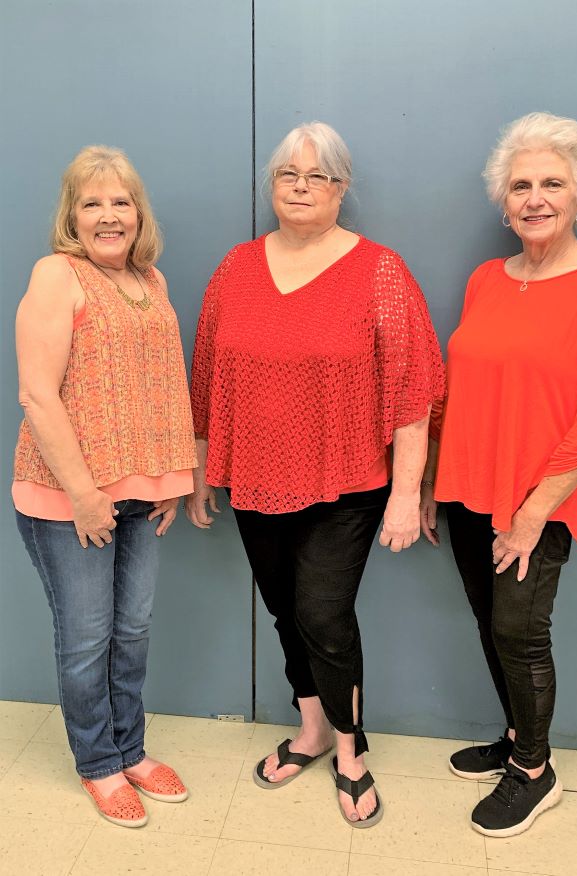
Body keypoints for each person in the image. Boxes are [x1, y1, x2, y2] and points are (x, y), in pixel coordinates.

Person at [187, 121, 445, 827]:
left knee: (322, 617)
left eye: (317, 177)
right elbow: (208, 372)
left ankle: (350, 748)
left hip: (348, 483)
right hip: (255, 478)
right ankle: (311, 730)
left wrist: (403, 495)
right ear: (272, 186)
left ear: (341, 188)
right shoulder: (235, 268)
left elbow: (411, 390)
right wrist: (203, 467)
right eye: (287, 176)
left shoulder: (379, 271)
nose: (300, 189)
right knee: (282, 611)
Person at [422, 112, 577, 837]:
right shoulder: (485, 279)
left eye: (550, 184)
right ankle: (515, 737)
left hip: (539, 499)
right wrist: (429, 486)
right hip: (470, 489)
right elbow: (458, 389)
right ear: (503, 202)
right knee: (490, 621)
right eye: (519, 186)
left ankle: (535, 771)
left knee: (519, 629)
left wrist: (535, 510)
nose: (534, 198)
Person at [13, 146, 197, 828]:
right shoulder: (56, 275)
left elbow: (160, 385)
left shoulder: (153, 280)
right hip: (69, 499)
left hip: (140, 492)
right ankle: (98, 764)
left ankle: (131, 749)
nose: (108, 215)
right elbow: (37, 392)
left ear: (138, 213)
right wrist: (86, 493)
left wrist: (171, 474)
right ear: (72, 217)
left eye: (121, 201)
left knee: (133, 630)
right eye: (92, 203)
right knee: (87, 638)